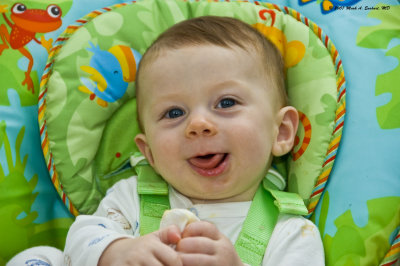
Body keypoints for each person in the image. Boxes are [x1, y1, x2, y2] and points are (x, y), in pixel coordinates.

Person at [8, 16, 324, 266]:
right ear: (150, 153)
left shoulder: (292, 232)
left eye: (226, 103)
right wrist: (116, 252)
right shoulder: (131, 198)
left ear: (281, 132)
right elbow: (80, 240)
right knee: (39, 258)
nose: (198, 125)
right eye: (174, 112)